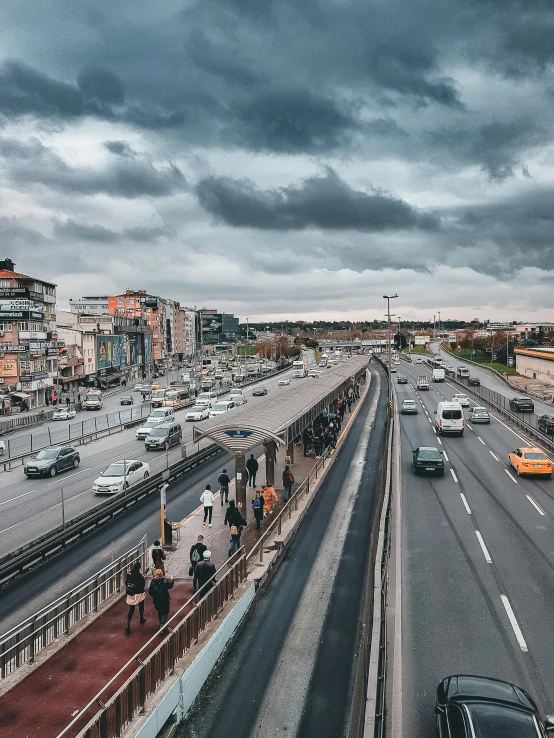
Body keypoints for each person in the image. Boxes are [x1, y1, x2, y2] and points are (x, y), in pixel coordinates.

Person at [125, 561, 146, 634]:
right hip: (139, 594)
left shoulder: (129, 574)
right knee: (141, 606)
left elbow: (126, 583)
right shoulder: (140, 576)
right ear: (139, 567)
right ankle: (141, 618)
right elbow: (143, 585)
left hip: (131, 593)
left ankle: (128, 623)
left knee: (131, 609)